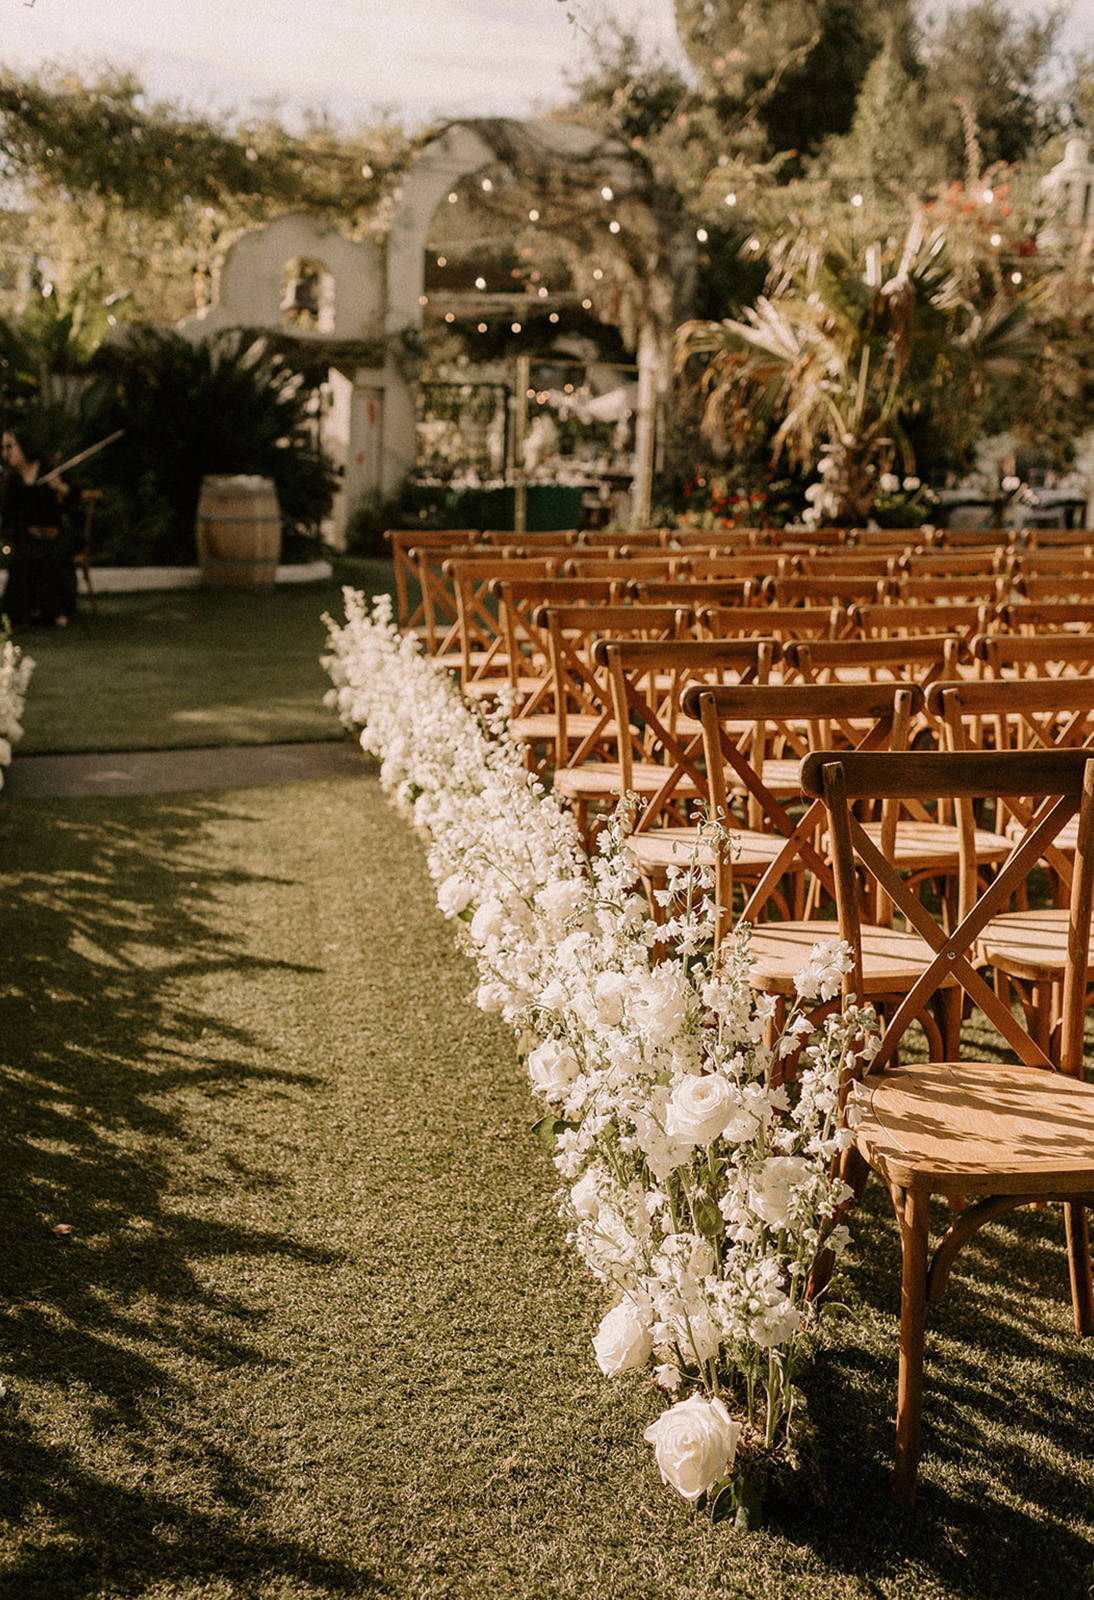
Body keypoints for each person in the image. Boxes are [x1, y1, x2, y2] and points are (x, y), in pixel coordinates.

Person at [1, 417, 78, 628]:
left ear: (24, 445)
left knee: (53, 557)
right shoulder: (13, 479)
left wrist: (62, 492)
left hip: (55, 535)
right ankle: (22, 613)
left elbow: (71, 505)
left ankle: (56, 611)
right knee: (22, 558)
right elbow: (9, 515)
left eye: (10, 446)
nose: (6, 452)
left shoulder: (47, 470)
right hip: (29, 537)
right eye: (3, 447)